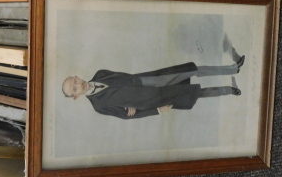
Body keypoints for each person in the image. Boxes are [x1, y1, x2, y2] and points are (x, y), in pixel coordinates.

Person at [62, 56, 245, 119]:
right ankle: (229, 90)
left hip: (151, 80)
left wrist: (129, 99)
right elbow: (126, 116)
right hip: (155, 99)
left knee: (192, 70)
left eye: (75, 81)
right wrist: (156, 110)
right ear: (76, 97)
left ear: (77, 76)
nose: (79, 85)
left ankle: (233, 68)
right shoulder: (98, 106)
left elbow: (126, 78)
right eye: (75, 89)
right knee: (196, 94)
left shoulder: (100, 73)